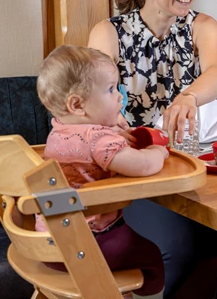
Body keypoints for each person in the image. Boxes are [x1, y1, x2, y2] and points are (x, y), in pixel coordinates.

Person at [88, 0, 217, 298]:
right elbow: (92, 101)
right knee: (176, 246)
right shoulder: (109, 33)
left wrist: (188, 97)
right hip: (135, 169)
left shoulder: (203, 26)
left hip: (196, 164)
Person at [36, 45, 168, 299]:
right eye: (110, 89)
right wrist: (157, 152)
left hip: (48, 243)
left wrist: (114, 133)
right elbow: (143, 166)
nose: (120, 96)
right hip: (88, 244)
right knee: (152, 254)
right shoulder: (98, 139)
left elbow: (87, 152)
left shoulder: (59, 129)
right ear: (77, 105)